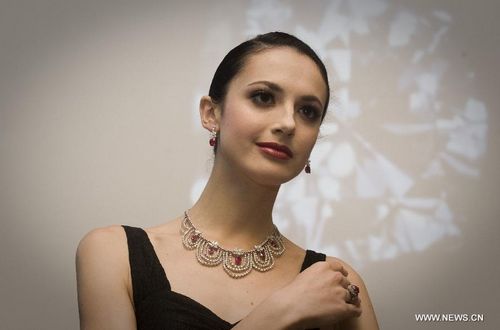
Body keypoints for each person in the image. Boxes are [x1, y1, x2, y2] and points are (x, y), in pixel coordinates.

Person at [76, 31, 379, 330]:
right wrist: (277, 316)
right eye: (263, 97)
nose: (288, 123)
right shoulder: (114, 254)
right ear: (211, 113)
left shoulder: (337, 284)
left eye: (308, 111)